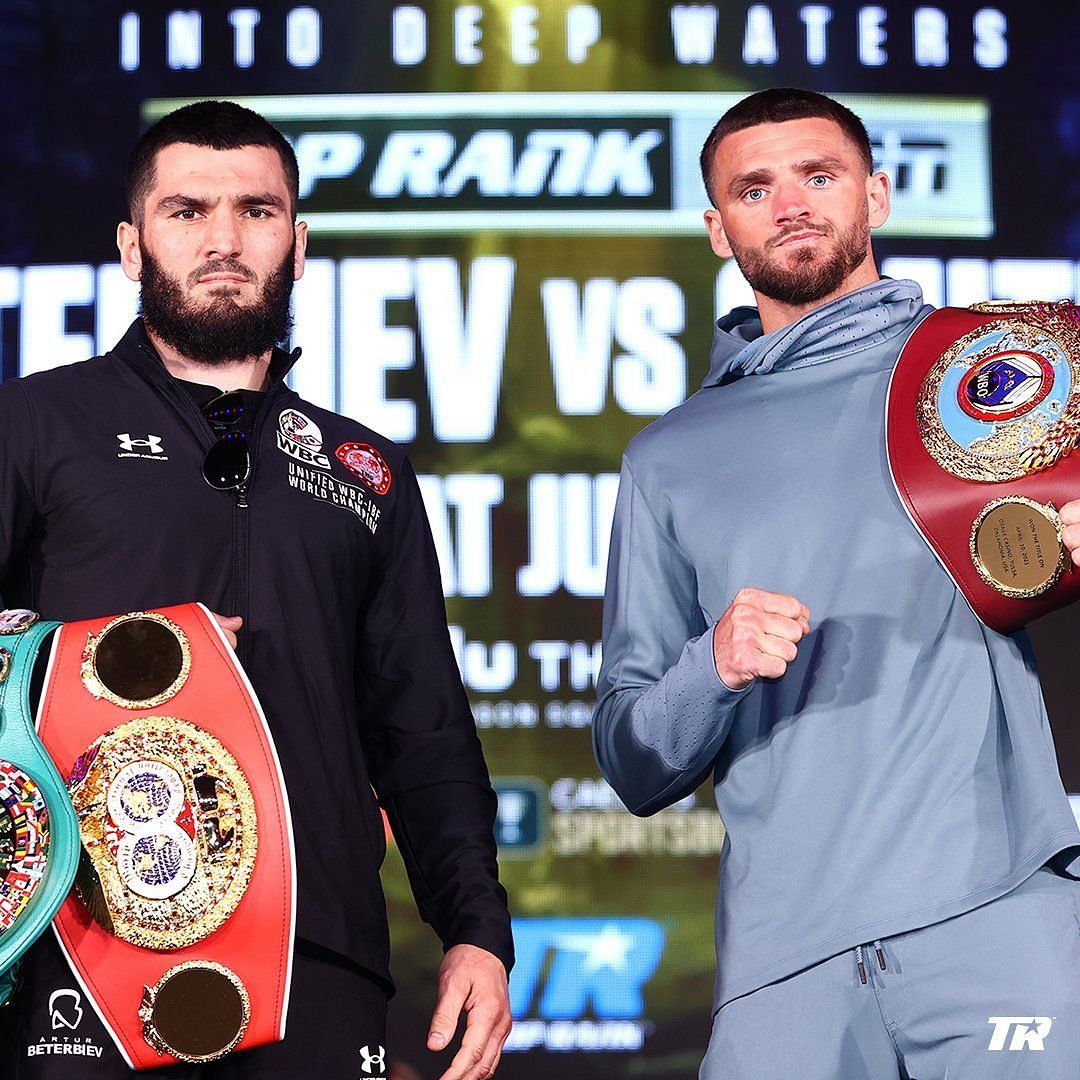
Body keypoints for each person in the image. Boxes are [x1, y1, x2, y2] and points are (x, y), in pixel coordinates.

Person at [0, 100, 513, 1079]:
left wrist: (476, 932)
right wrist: (109, 650)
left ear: (298, 241)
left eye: (257, 211)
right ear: (131, 244)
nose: (224, 239)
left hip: (312, 950)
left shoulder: (368, 468)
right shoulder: (33, 426)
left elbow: (424, 730)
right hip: (78, 940)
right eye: (187, 211)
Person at [593, 88, 1080, 1079]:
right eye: (754, 187)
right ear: (717, 228)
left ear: (879, 194)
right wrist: (711, 664)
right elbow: (633, 760)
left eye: (820, 175)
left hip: (996, 913)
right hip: (782, 963)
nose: (792, 204)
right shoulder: (673, 456)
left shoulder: (1002, 369)